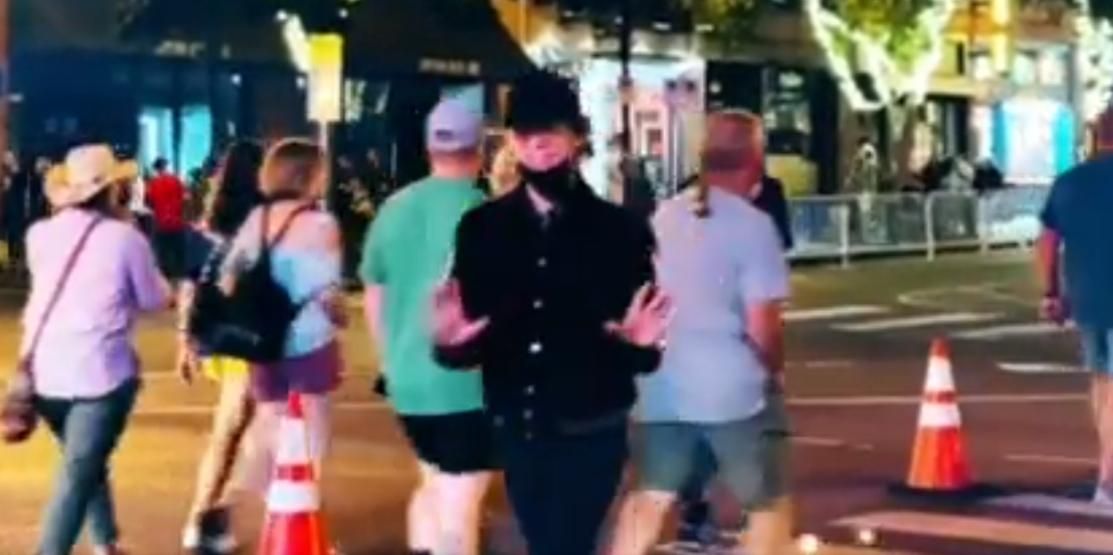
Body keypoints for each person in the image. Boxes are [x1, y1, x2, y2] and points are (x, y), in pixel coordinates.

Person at [431, 70, 670, 555]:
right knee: (545, 540)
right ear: (511, 142)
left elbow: (642, 346)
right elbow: (472, 335)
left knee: (566, 543)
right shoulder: (482, 228)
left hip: (592, 423)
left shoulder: (619, 230)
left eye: (550, 130)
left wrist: (641, 347)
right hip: (519, 422)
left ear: (576, 136)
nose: (537, 143)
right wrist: (451, 343)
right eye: (524, 133)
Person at [609, 110, 793, 555]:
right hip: (734, 392)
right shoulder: (754, 227)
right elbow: (762, 325)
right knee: (767, 504)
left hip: (662, 385)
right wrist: (775, 370)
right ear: (755, 160)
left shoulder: (665, 216)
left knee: (650, 497)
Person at [361, 99, 492, 555]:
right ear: (480, 150)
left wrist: (391, 359)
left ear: (428, 149)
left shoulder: (393, 209)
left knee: (432, 483)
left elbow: (374, 293)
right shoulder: (485, 212)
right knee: (460, 502)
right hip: (465, 384)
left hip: (406, 380)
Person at [25, 144, 170, 555]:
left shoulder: (39, 235)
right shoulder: (126, 239)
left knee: (84, 458)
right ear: (113, 190)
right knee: (78, 473)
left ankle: (106, 541)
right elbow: (154, 298)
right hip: (100, 375)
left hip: (42, 373)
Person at [219, 139, 346, 498]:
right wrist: (341, 319)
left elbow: (228, 279)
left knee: (270, 420)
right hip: (310, 340)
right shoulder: (321, 224)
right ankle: (296, 506)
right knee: (311, 431)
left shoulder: (257, 219)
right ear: (310, 176)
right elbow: (327, 292)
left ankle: (247, 494)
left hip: (263, 341)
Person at [176, 141, 265, 553]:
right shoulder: (264, 226)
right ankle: (203, 517)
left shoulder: (205, 228)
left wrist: (184, 341)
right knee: (233, 428)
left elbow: (189, 286)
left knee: (238, 428)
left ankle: (212, 514)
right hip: (250, 337)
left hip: (216, 337)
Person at [1038, 142, 1113, 506]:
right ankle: (1109, 481)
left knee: (1103, 386)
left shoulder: (1069, 183)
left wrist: (1051, 293)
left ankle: (1106, 477)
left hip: (1088, 301)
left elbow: (1048, 241)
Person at [4, 155, 50, 273]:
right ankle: (15, 265)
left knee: (23, 243)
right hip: (19, 219)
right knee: (15, 243)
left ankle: (21, 265)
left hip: (27, 218)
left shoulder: (36, 183)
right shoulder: (18, 181)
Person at [146, 157, 189, 280]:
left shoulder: (153, 184)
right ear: (166, 166)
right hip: (177, 222)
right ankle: (181, 280)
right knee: (179, 254)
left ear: (156, 169)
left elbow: (150, 202)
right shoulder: (176, 180)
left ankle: (167, 282)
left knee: (163, 255)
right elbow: (185, 199)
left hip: (161, 224)